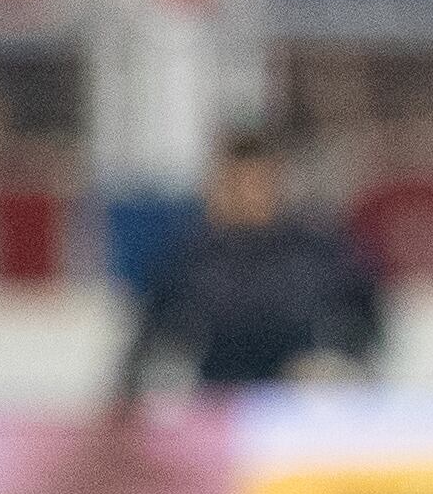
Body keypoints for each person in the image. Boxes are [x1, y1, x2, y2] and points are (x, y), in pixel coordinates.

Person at [113, 128, 383, 405]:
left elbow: (364, 326)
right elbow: (147, 344)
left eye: (258, 183)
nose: (248, 196)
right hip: (215, 405)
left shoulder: (316, 253)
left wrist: (333, 361)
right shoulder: (188, 258)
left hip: (301, 408)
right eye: (237, 184)